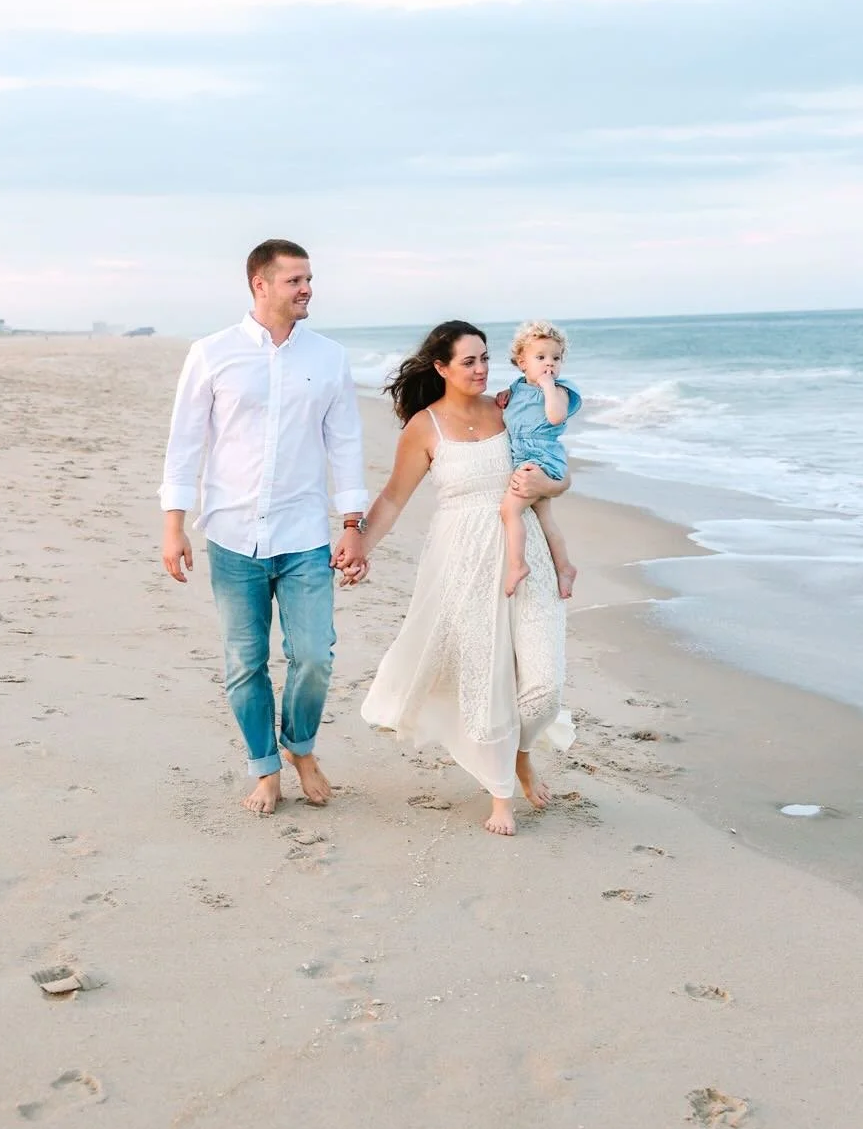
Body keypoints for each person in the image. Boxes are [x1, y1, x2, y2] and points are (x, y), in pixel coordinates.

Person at [159, 239, 368, 816]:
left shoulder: (329, 357)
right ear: (260, 284)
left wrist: (353, 523)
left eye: (309, 279)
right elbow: (185, 443)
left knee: (315, 654)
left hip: (305, 533)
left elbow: (345, 443)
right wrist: (173, 525)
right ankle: (265, 768)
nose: (306, 290)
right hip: (230, 533)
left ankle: (300, 747)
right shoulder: (211, 353)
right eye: (294, 280)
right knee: (244, 661)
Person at [353, 320, 574, 836]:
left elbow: (556, 472)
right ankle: (501, 793)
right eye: (468, 361)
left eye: (484, 358)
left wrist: (550, 483)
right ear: (441, 368)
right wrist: (358, 547)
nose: (480, 369)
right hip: (462, 562)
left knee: (543, 687)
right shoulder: (424, 427)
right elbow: (391, 499)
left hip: (527, 557)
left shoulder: (508, 408)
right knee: (487, 680)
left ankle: (521, 752)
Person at [498, 320, 581, 598]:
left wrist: (548, 387)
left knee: (509, 510)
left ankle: (517, 565)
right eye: (541, 357)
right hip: (524, 455)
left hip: (542, 459)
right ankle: (565, 567)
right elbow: (516, 405)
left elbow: (556, 416)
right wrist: (505, 396)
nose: (550, 365)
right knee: (545, 518)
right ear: (522, 362)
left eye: (556, 358)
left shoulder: (557, 390)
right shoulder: (519, 386)